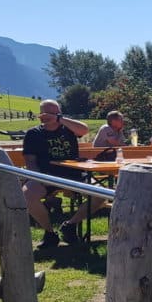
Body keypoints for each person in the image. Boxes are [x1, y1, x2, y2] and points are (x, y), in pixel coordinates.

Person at [23, 99, 107, 248]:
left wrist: (60, 119)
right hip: (47, 175)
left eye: (54, 113)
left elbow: (84, 130)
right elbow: (30, 161)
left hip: (74, 174)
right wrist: (38, 177)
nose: (50, 116)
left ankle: (70, 225)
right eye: (47, 113)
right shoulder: (33, 133)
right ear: (40, 115)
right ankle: (49, 233)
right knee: (27, 195)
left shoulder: (68, 129)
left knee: (101, 196)